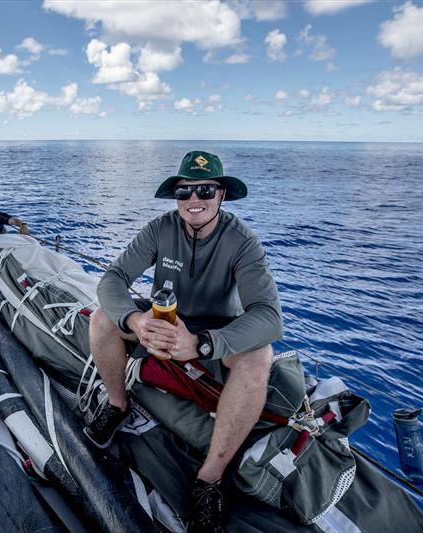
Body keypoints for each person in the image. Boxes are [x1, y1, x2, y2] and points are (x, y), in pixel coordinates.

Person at [85, 151, 283, 532]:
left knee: (258, 358)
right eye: (184, 192)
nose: (194, 200)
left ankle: (209, 479)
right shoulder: (160, 229)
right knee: (101, 319)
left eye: (205, 190)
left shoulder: (242, 243)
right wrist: (135, 319)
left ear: (222, 194)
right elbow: (112, 278)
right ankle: (116, 403)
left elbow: (269, 317)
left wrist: (204, 344)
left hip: (216, 332)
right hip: (163, 319)